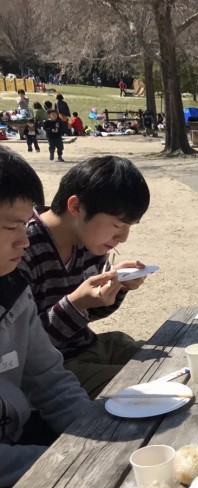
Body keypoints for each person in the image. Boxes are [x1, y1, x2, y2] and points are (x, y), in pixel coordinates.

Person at [18, 156, 151, 398]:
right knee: (147, 386)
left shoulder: (88, 242)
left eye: (129, 226)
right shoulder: (21, 248)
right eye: (117, 225)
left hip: (87, 345)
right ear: (76, 207)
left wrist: (115, 287)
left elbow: (88, 314)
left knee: (172, 361)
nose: (123, 237)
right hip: (50, 367)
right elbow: (24, 347)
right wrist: (75, 304)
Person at [0, 146, 90, 488]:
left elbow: (49, 378)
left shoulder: (12, 289)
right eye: (12, 226)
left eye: (26, 225)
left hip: (20, 438)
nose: (24, 241)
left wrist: (92, 434)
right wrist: (62, 462)